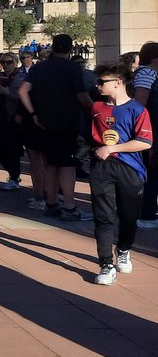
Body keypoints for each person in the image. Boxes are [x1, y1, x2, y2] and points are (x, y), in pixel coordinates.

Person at [87, 63, 154, 286]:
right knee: (103, 216)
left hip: (130, 169)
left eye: (102, 82)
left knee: (128, 217)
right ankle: (106, 263)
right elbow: (86, 135)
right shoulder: (96, 107)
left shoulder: (137, 109)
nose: (98, 86)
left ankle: (123, 250)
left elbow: (144, 142)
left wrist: (112, 148)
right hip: (101, 168)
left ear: (118, 82)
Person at [19, 34, 94, 222]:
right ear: (70, 49)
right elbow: (82, 96)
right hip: (67, 122)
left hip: (44, 122)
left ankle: (51, 203)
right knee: (67, 165)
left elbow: (22, 91)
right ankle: (69, 207)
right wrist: (94, 108)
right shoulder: (73, 69)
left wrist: (34, 114)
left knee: (50, 163)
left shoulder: (39, 68)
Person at [0, 54, 27, 191]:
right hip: (1, 117)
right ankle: (13, 175)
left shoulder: (21, 77)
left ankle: (14, 177)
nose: (5, 65)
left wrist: (7, 93)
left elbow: (23, 98)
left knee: (13, 151)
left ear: (15, 63)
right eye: (3, 62)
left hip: (15, 118)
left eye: (9, 62)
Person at [132, 43, 158, 229]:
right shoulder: (147, 74)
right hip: (150, 129)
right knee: (151, 170)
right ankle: (146, 213)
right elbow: (141, 102)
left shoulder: (147, 74)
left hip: (150, 128)